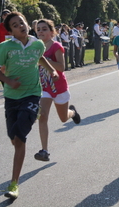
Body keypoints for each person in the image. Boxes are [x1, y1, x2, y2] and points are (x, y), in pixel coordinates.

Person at [0, 12, 59, 199]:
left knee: (20, 138)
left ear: (27, 23)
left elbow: (40, 57)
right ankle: (24, 125)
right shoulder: (5, 47)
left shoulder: (37, 43)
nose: (20, 26)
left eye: (21, 22)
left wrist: (52, 69)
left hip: (32, 94)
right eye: (15, 25)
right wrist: (8, 81)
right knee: (14, 138)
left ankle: (14, 184)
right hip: (11, 98)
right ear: (11, 31)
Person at [34, 19, 81, 162]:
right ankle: (44, 151)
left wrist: (44, 60)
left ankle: (72, 113)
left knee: (63, 118)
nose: (41, 31)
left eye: (44, 29)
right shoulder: (35, 47)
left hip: (59, 86)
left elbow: (61, 67)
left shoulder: (56, 46)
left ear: (51, 31)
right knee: (42, 116)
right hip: (44, 87)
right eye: (38, 29)